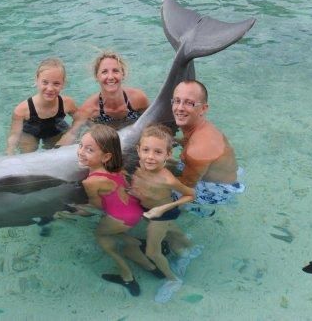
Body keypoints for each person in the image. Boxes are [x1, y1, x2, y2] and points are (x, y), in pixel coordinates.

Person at [166, 79, 245, 275]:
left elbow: (186, 190)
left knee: (153, 203)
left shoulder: (198, 150)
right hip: (219, 175)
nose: (180, 108)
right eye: (176, 101)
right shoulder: (199, 127)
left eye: (189, 103)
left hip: (215, 190)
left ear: (204, 108)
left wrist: (164, 209)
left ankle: (184, 250)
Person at [77, 124, 160, 297]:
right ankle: (150, 266)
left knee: (102, 238)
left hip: (119, 218)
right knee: (113, 234)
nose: (81, 152)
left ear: (106, 156)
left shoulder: (90, 181)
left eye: (89, 149)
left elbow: (96, 205)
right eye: (80, 146)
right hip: (134, 211)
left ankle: (127, 276)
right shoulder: (118, 169)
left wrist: (76, 211)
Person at [129, 124, 195, 303]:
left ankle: (173, 280)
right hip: (148, 208)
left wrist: (162, 209)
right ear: (138, 150)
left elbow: (191, 194)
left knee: (152, 251)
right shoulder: (138, 166)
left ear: (168, 155)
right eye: (146, 150)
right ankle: (189, 248)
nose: (150, 157)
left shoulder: (167, 179)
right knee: (172, 229)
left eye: (158, 152)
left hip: (162, 213)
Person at [56, 51, 148, 146]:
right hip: (105, 142)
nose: (110, 77)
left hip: (133, 138)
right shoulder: (89, 109)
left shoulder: (138, 99)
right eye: (104, 72)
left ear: (123, 74)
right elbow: (72, 133)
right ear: (97, 77)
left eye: (115, 71)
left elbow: (152, 123)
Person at [6, 58, 77, 155]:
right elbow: (14, 136)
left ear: (63, 84)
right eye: (45, 82)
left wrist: (71, 134)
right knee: (28, 155)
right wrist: (10, 151)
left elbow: (81, 120)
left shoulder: (67, 103)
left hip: (55, 130)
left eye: (56, 83)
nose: (50, 88)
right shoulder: (22, 110)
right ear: (36, 80)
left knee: (58, 152)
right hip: (30, 133)